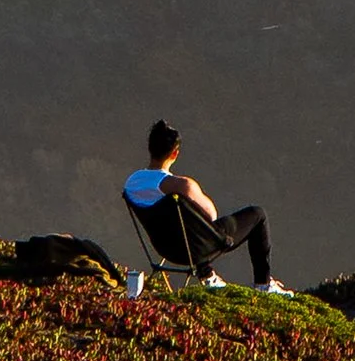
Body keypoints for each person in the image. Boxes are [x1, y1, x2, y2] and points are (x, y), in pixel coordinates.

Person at [121, 120, 290, 294]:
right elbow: (211, 214)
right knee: (257, 214)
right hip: (196, 248)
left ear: (150, 148)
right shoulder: (181, 185)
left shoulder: (132, 183)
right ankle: (263, 284)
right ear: (175, 153)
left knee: (184, 223)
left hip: (165, 247)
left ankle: (207, 274)